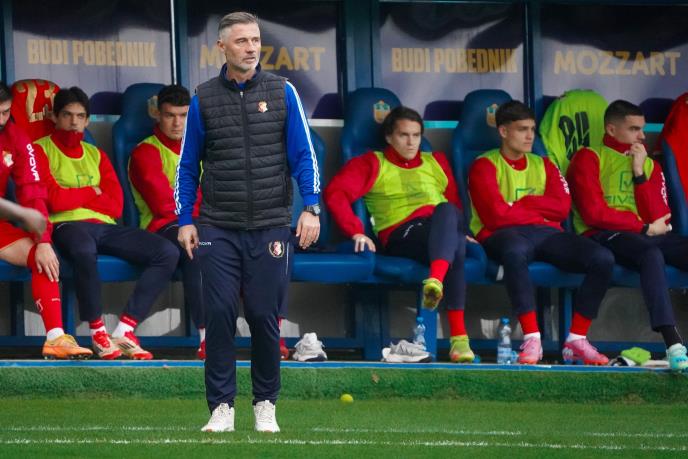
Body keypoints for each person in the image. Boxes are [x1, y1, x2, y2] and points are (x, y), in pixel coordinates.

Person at [175, 12, 320, 433]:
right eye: (241, 41)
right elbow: (187, 166)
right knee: (219, 314)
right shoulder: (202, 97)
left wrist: (311, 207)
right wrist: (185, 220)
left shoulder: (283, 91)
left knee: (263, 316)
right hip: (217, 225)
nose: (251, 48)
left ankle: (265, 404)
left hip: (271, 224)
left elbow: (304, 154)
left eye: (255, 40)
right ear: (222, 47)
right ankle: (221, 407)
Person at [33, 86, 179, 360]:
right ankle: (97, 332)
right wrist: (92, 192)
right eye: (67, 115)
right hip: (66, 226)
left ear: (88, 120)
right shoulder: (40, 150)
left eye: (80, 116)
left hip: (104, 226)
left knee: (166, 251)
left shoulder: (95, 154)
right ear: (54, 117)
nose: (74, 122)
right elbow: (52, 200)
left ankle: (124, 330)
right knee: (83, 249)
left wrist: (72, 195)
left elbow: (115, 205)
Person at [325, 106, 475, 364]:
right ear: (389, 137)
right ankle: (459, 338)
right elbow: (335, 193)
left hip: (440, 231)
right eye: (404, 135)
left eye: (416, 135)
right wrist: (356, 231)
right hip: (402, 233)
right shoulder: (371, 162)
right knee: (455, 240)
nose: (411, 142)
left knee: (451, 220)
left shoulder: (436, 161)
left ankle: (436, 282)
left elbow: (455, 206)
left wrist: (461, 232)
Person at [468, 100, 614, 365]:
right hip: (502, 235)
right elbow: (495, 216)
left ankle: (576, 339)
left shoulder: (544, 164)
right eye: (522, 129)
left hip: (546, 233)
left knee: (602, 258)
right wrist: (539, 210)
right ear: (503, 131)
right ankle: (532, 338)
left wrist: (521, 204)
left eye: (532, 129)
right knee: (515, 252)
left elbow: (561, 208)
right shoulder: (484, 165)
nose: (529, 136)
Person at [567, 99, 688, 372]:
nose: (642, 136)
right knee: (650, 253)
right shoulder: (589, 157)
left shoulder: (648, 164)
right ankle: (673, 342)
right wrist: (643, 228)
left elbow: (658, 216)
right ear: (611, 129)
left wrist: (639, 173)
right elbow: (594, 214)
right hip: (603, 235)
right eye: (634, 129)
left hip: (646, 233)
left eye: (642, 129)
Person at [0, 81, 91, 359]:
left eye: (5, 112)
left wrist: (43, 240)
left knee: (42, 256)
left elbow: (33, 190)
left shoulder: (15, 137)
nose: (1, 120)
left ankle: (55, 338)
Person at [128, 84, 207, 359]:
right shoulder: (145, 152)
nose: (177, 123)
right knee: (196, 248)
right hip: (162, 228)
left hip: (200, 223)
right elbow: (164, 204)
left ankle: (272, 336)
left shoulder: (200, 150)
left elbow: (218, 196)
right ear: (157, 115)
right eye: (170, 115)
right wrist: (200, 201)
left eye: (183, 115)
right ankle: (207, 337)